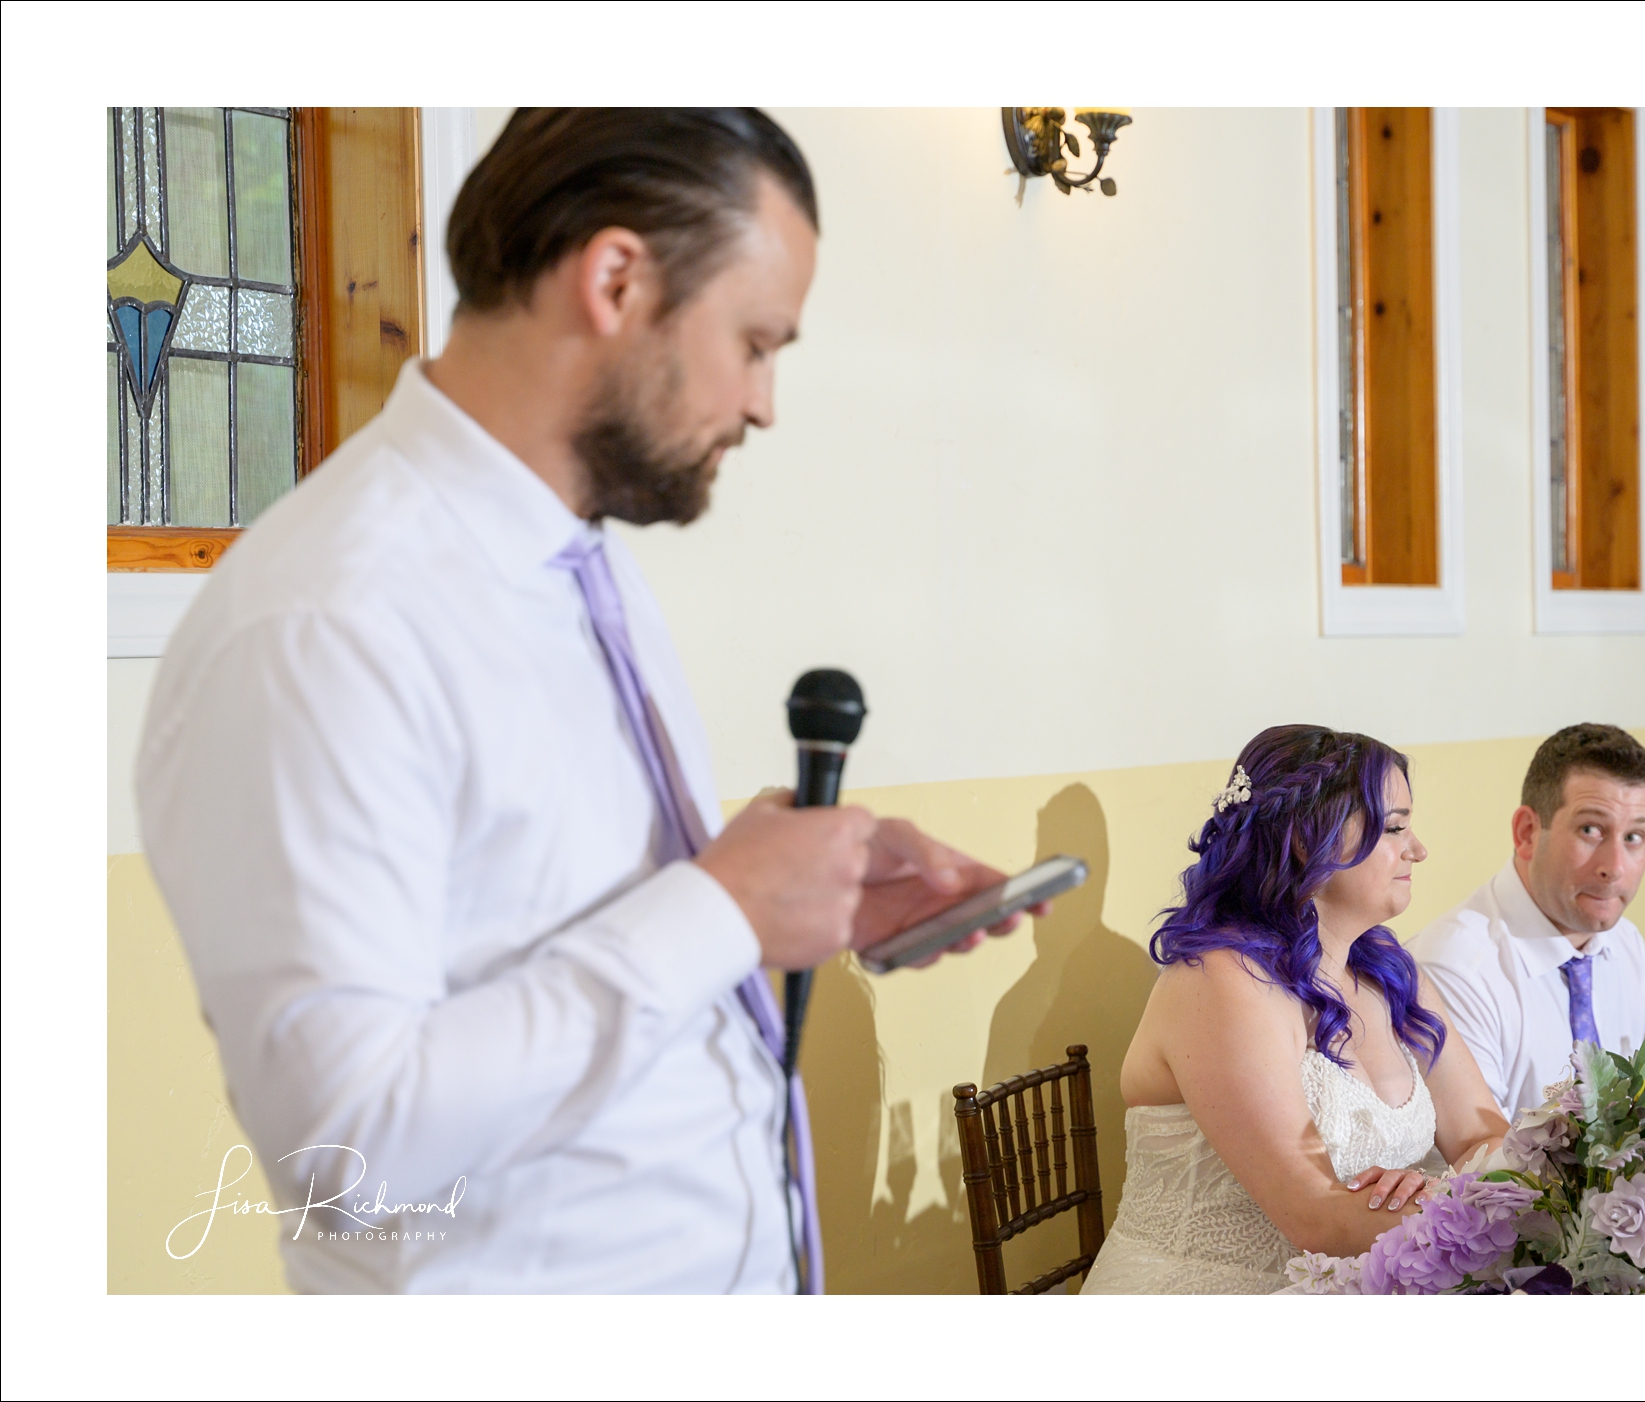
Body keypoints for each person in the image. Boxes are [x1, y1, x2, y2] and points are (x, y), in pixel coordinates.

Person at [136, 109, 1033, 1294]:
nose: (764, 403)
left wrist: (785, 888)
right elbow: (343, 1146)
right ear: (615, 279)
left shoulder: (578, 570)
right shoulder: (323, 624)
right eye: (755, 341)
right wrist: (718, 910)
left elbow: (559, 925)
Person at [1081, 726, 1508, 1294]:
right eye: (1397, 827)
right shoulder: (1222, 982)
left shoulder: (1389, 969)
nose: (1418, 849)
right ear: (1311, 840)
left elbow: (1483, 1135)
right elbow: (1315, 1216)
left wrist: (1467, 1193)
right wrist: (1450, 1205)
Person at [1408, 723, 1645, 1120]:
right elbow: (1479, 1164)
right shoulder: (1454, 967)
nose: (1614, 868)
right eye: (1590, 830)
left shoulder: (1625, 943)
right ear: (1526, 833)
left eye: (1634, 837)